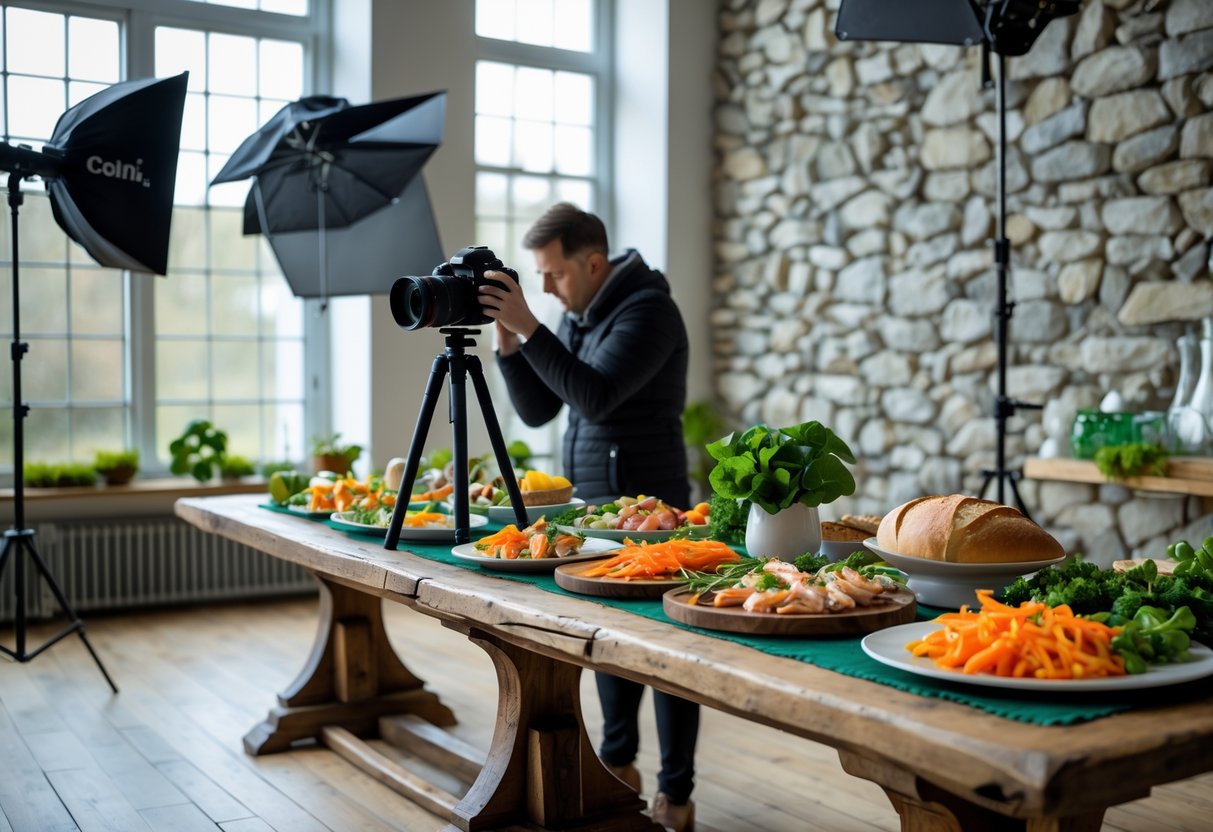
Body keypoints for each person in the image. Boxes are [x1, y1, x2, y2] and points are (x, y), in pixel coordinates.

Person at [479, 202, 697, 832]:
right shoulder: (581, 316)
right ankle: (619, 769)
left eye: (554, 274)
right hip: (596, 514)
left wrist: (533, 323)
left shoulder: (650, 311)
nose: (544, 287)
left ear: (592, 261)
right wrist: (509, 335)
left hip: (654, 512)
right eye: (538, 278)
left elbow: (595, 397)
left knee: (668, 658)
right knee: (610, 648)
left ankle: (676, 793)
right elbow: (542, 409)